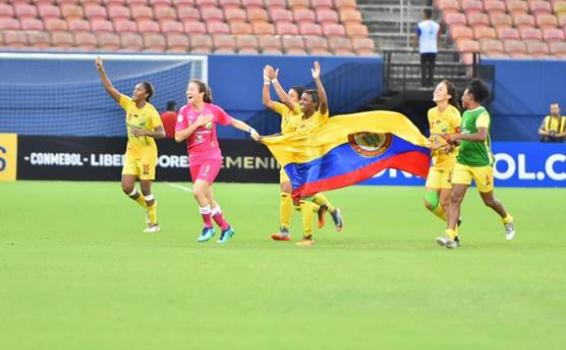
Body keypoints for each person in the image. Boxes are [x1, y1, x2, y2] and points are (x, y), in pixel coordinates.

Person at [175, 79, 260, 244]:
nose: (188, 92)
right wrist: (197, 124)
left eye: (192, 89)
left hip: (211, 156)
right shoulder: (184, 111)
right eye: (188, 90)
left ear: (201, 93)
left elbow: (233, 121)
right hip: (194, 159)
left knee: (197, 191)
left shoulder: (213, 110)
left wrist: (250, 130)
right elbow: (179, 137)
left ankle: (208, 227)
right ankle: (226, 228)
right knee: (208, 198)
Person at [262, 65, 340, 242]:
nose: (287, 98)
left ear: (298, 101)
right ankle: (324, 209)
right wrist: (266, 81)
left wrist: (275, 80)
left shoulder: (298, 111)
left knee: (298, 196)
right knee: (293, 198)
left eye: (292, 96)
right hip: (288, 157)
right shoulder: (286, 111)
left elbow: (283, 98)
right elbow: (267, 102)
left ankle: (289, 231)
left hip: (302, 159)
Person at [438, 79, 515, 249]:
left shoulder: (482, 114)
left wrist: (457, 136)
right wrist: (451, 145)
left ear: (471, 96)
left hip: (481, 163)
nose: (462, 97)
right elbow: (464, 139)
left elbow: (480, 136)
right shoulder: (465, 114)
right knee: (455, 198)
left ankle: (507, 219)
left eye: (464, 94)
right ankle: (451, 236)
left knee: (489, 201)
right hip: (463, 161)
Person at [95, 56, 166, 232]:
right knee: (127, 187)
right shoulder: (129, 104)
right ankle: (149, 205)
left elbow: (162, 134)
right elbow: (110, 89)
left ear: (146, 94)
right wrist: (101, 70)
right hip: (132, 152)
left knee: (145, 187)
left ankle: (153, 222)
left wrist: (145, 132)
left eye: (138, 90)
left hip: (147, 152)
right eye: (134, 89)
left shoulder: (151, 112)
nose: (134, 92)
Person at [289, 61, 344, 247]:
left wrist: (317, 79)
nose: (301, 102)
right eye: (301, 99)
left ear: (314, 104)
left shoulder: (319, 116)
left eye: (305, 100)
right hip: (301, 164)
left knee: (303, 198)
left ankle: (308, 237)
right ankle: (329, 209)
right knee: (296, 201)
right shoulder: (299, 120)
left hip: (316, 163)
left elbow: (324, 100)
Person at [424, 80, 461, 226]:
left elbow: (461, 139)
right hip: (437, 162)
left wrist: (450, 146)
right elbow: (434, 137)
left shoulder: (454, 114)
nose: (436, 91)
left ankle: (452, 235)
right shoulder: (431, 113)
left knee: (445, 200)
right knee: (429, 202)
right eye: (436, 89)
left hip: (452, 161)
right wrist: (431, 145)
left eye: (440, 89)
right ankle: (453, 221)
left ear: (449, 96)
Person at [415, 9, 440, 87]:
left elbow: (417, 36)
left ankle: (423, 83)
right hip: (433, 49)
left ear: (425, 15)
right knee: (431, 67)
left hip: (424, 49)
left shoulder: (420, 25)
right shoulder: (436, 25)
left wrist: (414, 46)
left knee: (424, 66)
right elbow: (438, 36)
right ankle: (431, 82)